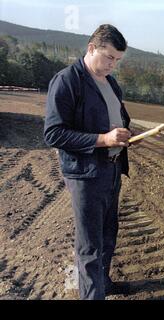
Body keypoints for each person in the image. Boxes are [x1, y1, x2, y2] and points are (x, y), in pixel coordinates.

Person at [44, 24, 137, 299]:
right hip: (85, 175)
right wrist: (104, 140)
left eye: (118, 60)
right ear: (91, 48)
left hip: (112, 170)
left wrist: (127, 134)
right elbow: (53, 133)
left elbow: (116, 118)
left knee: (109, 234)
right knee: (90, 245)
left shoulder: (110, 82)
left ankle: (104, 284)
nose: (113, 65)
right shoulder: (67, 81)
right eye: (109, 57)